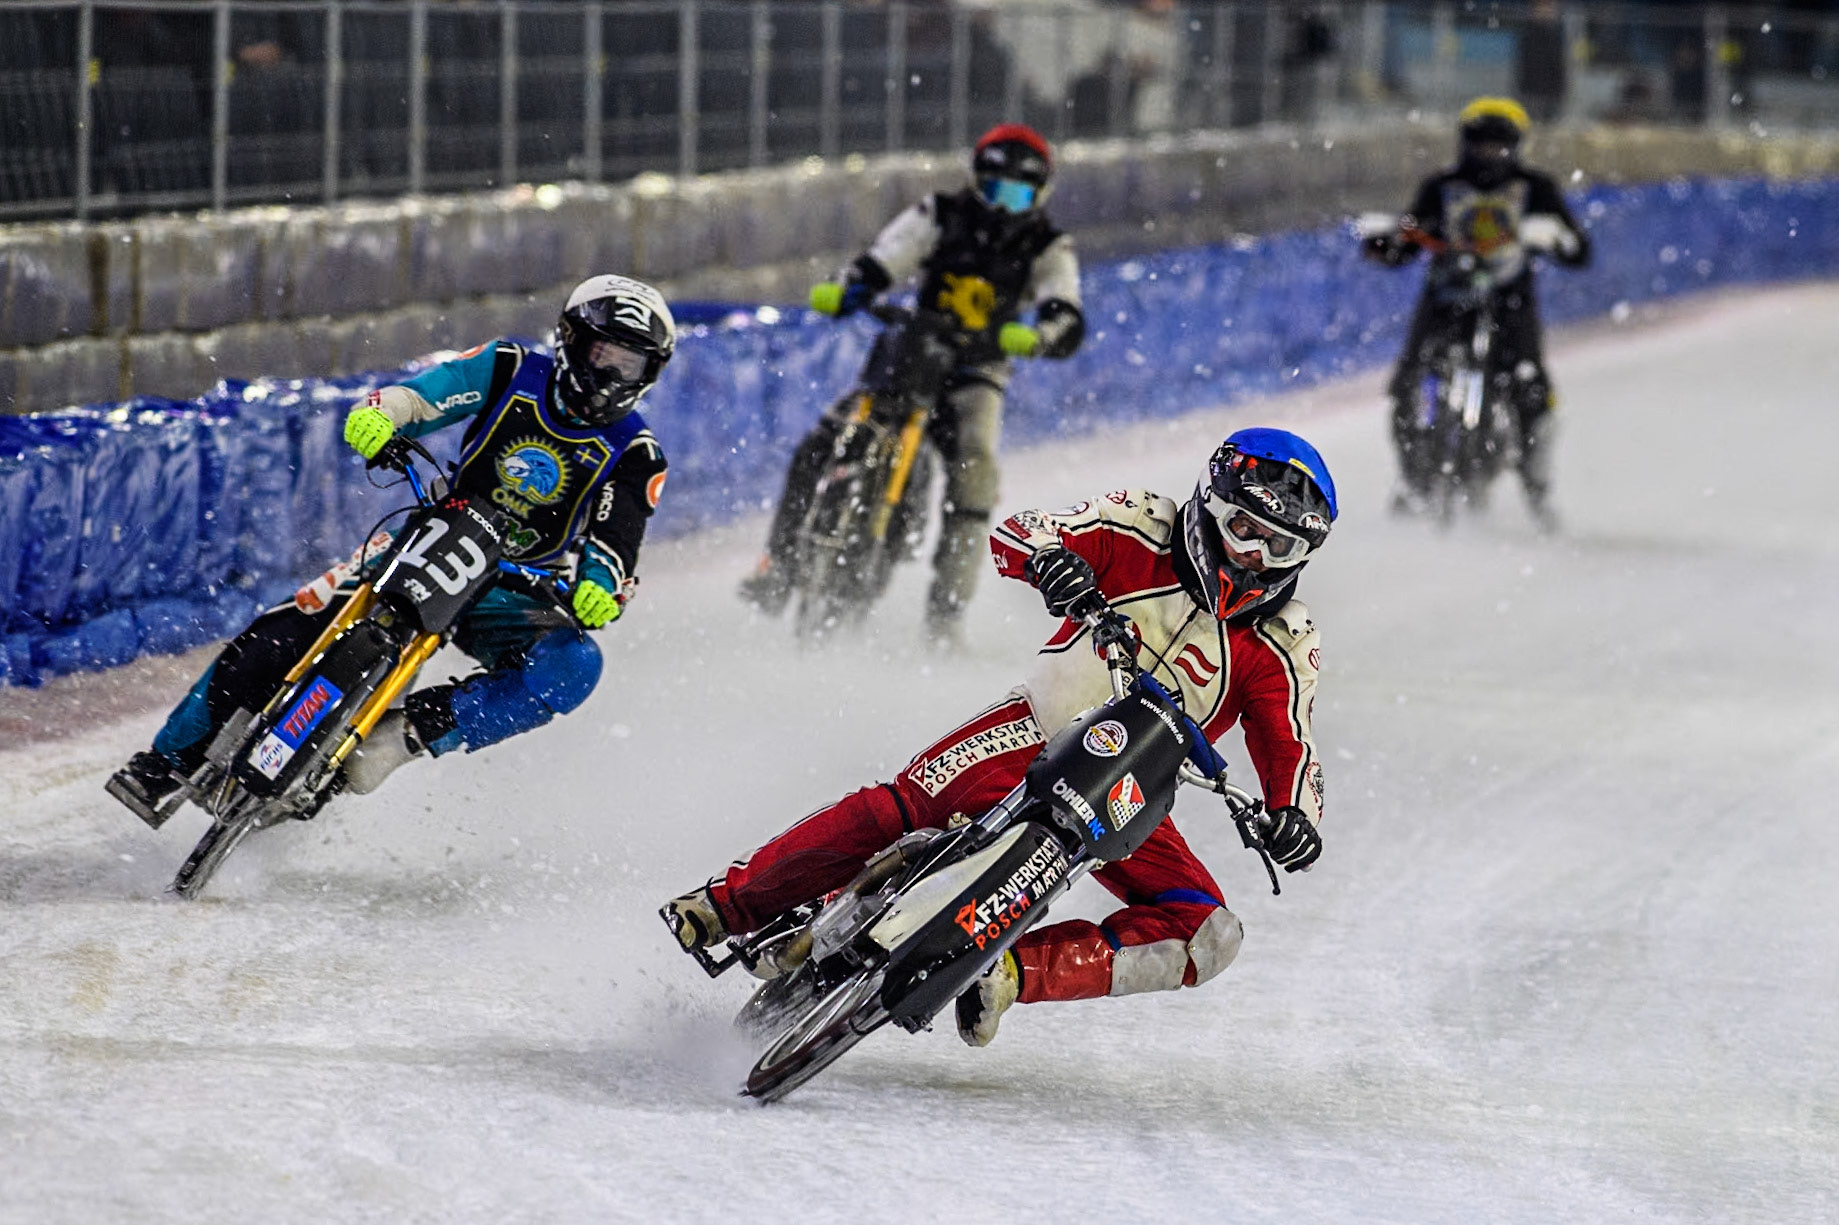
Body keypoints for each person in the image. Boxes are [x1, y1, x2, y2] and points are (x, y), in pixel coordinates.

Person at [668, 427, 1333, 1047]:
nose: (1252, 554)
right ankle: (727, 904)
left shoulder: (1285, 637)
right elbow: (1025, 530)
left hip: (1131, 792)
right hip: (1034, 728)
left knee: (1208, 931)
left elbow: (1291, 743)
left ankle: (1008, 971)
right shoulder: (1141, 521)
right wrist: (1049, 561)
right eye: (1245, 527)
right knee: (904, 803)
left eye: (1279, 546)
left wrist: (1294, 816)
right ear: (1211, 502)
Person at [107, 276, 675, 822]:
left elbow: (616, 543)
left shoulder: (638, 454)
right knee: (292, 619)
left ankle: (404, 737)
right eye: (606, 354)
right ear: (572, 340)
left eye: (631, 364)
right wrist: (384, 413)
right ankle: (167, 760)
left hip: (513, 586)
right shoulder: (508, 367)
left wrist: (602, 586)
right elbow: (427, 395)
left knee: (574, 666)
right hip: (434, 536)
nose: (612, 374)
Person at [739, 123, 1086, 643]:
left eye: (1018, 192)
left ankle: (945, 617)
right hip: (913, 351)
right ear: (976, 182)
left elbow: (1064, 305)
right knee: (819, 443)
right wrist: (854, 288)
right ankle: (780, 569)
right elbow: (890, 254)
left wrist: (1039, 336)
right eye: (995, 188)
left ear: (1040, 194)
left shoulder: (1049, 245)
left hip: (978, 370)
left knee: (976, 471)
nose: (1004, 204)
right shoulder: (940, 213)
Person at [1364, 97, 1590, 528]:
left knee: (1531, 392)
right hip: (1446, 302)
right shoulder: (1441, 187)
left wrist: (1554, 237)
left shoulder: (1535, 188)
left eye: (1498, 145)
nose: (1489, 154)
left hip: (1510, 304)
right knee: (1409, 385)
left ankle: (1536, 487)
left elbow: (1578, 250)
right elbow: (1408, 240)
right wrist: (1388, 243)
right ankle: (1414, 478)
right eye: (1481, 144)